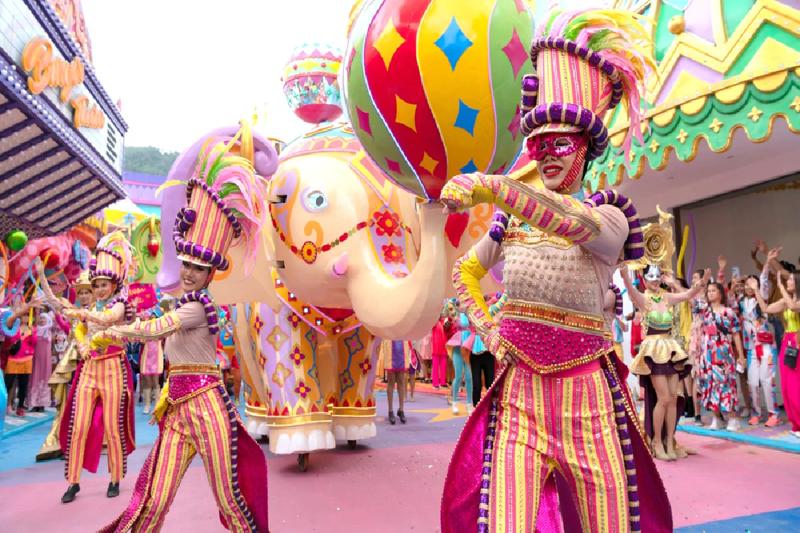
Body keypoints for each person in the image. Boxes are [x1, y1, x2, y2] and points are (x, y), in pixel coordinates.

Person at [439, 8, 671, 532]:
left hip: (589, 400)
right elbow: (464, 275)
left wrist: (497, 187)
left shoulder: (607, 218)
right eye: (538, 145)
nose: (545, 155)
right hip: (519, 393)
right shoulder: (510, 223)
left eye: (559, 144)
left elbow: (569, 222)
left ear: (586, 148)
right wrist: (491, 330)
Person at [100, 125, 271, 533]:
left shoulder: (196, 307)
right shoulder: (184, 301)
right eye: (187, 266)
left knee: (228, 499)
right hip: (177, 408)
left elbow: (160, 327)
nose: (191, 274)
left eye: (199, 268)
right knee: (155, 498)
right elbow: (155, 322)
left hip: (207, 404)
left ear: (212, 272)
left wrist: (120, 332)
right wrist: (128, 323)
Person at [38, 233, 137, 503]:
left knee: (112, 427)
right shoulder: (92, 306)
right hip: (89, 370)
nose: (101, 289)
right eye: (97, 285)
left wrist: (80, 313)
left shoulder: (121, 305)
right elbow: (76, 324)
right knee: (78, 426)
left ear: (114, 284)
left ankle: (115, 477)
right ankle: (72, 482)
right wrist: (43, 280)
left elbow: (107, 319)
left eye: (104, 284)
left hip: (114, 369)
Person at [623, 265, 708, 460]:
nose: (654, 280)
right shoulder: (643, 299)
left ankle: (670, 441)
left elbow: (688, 295)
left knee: (671, 399)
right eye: (650, 277)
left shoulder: (667, 297)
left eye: (657, 276)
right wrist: (625, 275)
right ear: (644, 279)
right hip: (654, 350)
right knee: (662, 398)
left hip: (670, 349)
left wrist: (701, 284)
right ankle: (656, 442)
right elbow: (630, 290)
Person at [36, 271, 95, 462]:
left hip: (92, 363)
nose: (84, 296)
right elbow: (53, 300)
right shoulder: (73, 311)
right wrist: (41, 275)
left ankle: (87, 443)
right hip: (72, 364)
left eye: (88, 292)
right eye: (82, 292)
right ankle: (67, 443)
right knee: (69, 403)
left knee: (88, 405)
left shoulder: (101, 312)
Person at [752, 250, 800, 438]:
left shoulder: (794, 301)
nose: (786, 282)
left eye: (789, 280)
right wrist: (756, 289)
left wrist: (780, 286)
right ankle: (796, 424)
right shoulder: (784, 300)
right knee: (787, 386)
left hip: (798, 341)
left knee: (797, 385)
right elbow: (765, 309)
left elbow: (795, 306)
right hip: (788, 342)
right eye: (785, 281)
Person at [698, 282, 746, 431]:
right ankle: (716, 418)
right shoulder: (704, 311)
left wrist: (741, 355)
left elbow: (736, 334)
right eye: (709, 291)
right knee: (709, 383)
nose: (710, 293)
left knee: (726, 383)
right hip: (707, 353)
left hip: (723, 351)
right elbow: (691, 297)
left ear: (720, 293)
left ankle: (732, 418)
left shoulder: (728, 312)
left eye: (714, 290)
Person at [2, 298, 42, 416]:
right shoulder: (14, 327)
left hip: (26, 360)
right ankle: (5, 405)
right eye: (23, 315)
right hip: (13, 359)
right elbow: (10, 340)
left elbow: (34, 343)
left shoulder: (32, 329)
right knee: (7, 384)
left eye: (26, 316)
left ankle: (20, 407)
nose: (24, 317)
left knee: (23, 385)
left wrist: (32, 333)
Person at [470, 293, 506, 407]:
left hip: (488, 353)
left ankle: (490, 408)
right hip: (475, 355)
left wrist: (506, 294)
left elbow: (498, 306)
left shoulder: (490, 312)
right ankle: (475, 407)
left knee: (490, 383)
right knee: (476, 384)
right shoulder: (474, 314)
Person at [446, 306, 473, 415]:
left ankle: (469, 404)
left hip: (468, 346)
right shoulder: (458, 313)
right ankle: (455, 402)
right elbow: (454, 320)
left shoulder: (472, 312)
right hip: (458, 346)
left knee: (469, 377)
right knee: (458, 376)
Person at [380, 339, 412, 424]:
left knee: (401, 381)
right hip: (390, 346)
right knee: (391, 381)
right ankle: (390, 410)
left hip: (401, 346)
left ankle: (401, 410)